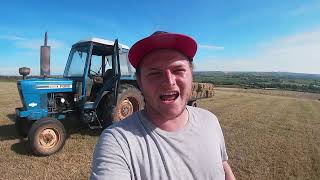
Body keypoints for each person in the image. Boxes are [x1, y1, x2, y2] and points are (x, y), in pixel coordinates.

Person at [90, 31, 236, 180]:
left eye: (178, 70)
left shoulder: (210, 121)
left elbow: (223, 166)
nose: (169, 81)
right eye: (154, 73)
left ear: (191, 75)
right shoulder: (118, 142)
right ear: (139, 81)